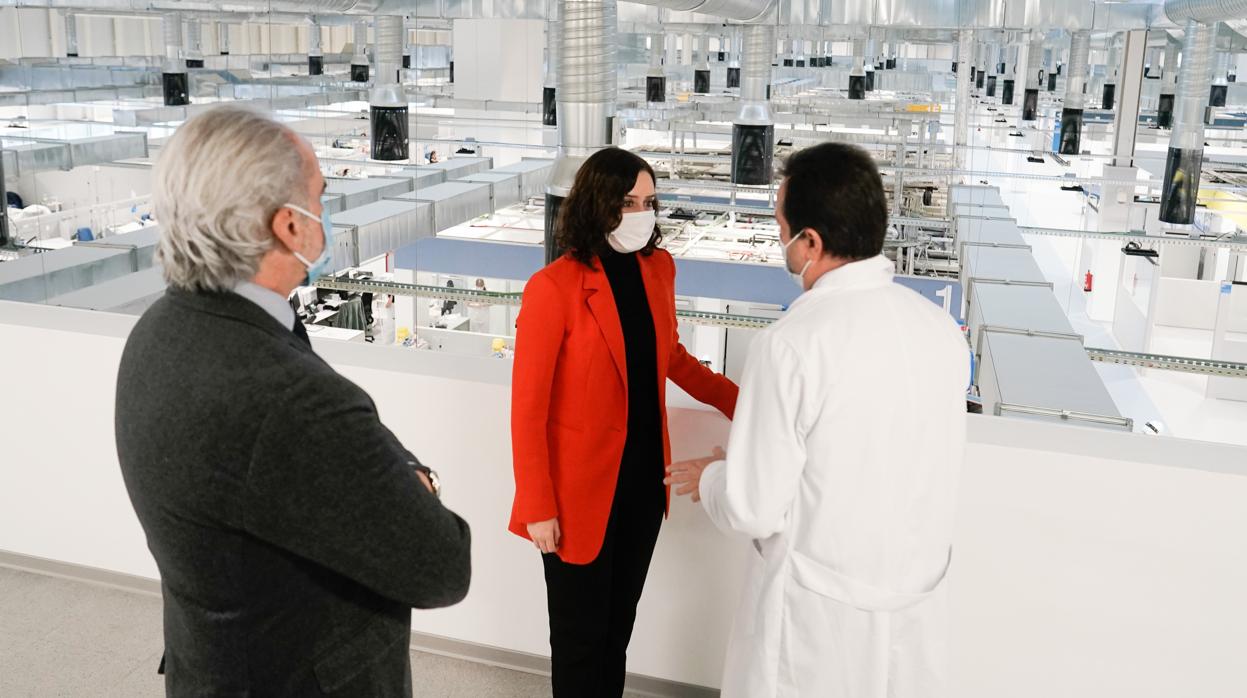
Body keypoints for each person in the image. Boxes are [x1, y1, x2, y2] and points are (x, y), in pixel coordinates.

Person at [114, 105, 472, 698]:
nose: (324, 213)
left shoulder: (160, 330)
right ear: (288, 226)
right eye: (319, 196)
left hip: (212, 666)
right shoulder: (288, 399)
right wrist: (415, 478)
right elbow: (440, 566)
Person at [666, 142, 969, 697]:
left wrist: (718, 475)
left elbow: (753, 509)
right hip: (914, 601)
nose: (780, 242)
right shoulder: (938, 330)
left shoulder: (792, 345)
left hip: (817, 616)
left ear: (811, 242)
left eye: (781, 226)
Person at [510, 147, 739, 697]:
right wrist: (538, 506)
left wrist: (743, 402)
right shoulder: (554, 288)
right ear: (599, 204)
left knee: (617, 631)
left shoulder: (658, 269)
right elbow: (527, 409)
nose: (643, 213)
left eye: (649, 202)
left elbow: (672, 356)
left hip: (641, 485)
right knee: (578, 639)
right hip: (576, 495)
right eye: (630, 202)